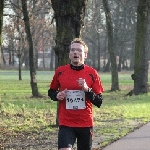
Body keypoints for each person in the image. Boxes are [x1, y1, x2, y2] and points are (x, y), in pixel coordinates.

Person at [48, 38, 104, 150]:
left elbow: (99, 101)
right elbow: (51, 92)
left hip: (85, 123)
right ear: (69, 54)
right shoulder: (60, 71)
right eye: (72, 50)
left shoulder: (92, 73)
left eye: (79, 50)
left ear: (85, 55)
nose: (75, 52)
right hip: (66, 123)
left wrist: (87, 89)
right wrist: (57, 95)